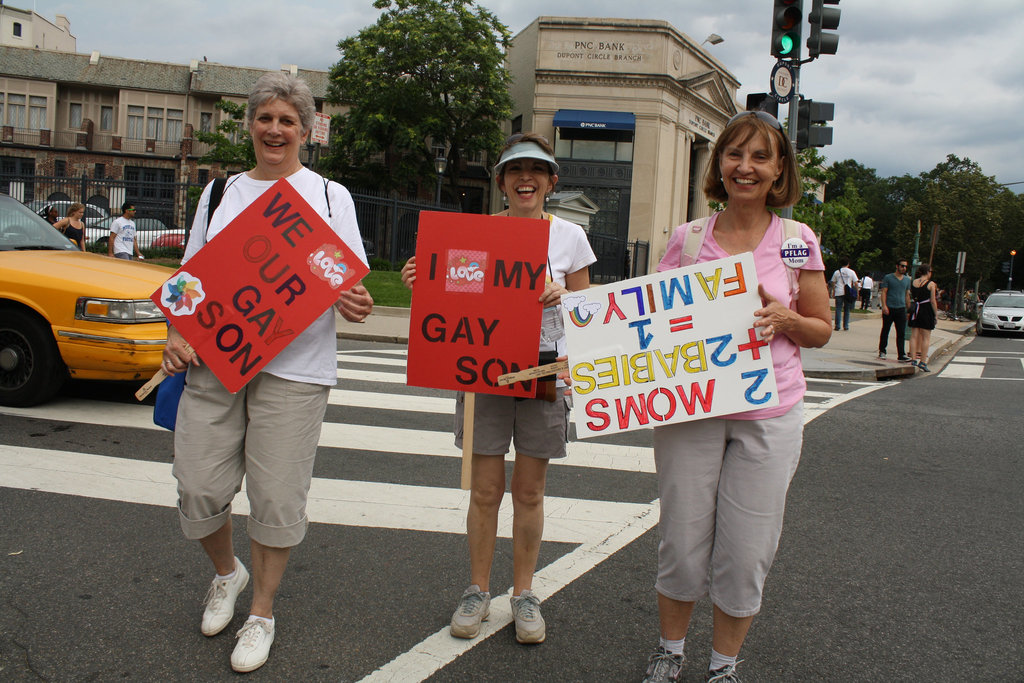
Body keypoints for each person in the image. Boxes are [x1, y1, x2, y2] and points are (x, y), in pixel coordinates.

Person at [161, 72, 374, 673]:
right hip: (217, 358)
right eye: (265, 118)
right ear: (250, 125)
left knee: (277, 496)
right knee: (198, 483)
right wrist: (175, 333)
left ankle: (261, 611)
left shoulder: (331, 197)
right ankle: (226, 575)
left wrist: (353, 302)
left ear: (306, 131)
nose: (275, 129)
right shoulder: (218, 192)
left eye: (288, 120)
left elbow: (348, 286)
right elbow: (189, 276)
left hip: (296, 369)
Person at [640, 110, 831, 683]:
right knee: (682, 539)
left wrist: (789, 318)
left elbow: (820, 327)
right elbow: (647, 320)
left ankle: (723, 667)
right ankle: (670, 654)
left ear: (779, 171)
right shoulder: (689, 239)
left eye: (760, 157)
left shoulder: (797, 242)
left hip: (769, 414)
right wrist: (597, 362)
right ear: (718, 165)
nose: (745, 167)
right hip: (691, 409)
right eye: (734, 155)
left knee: (747, 549)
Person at [400, 132, 596, 645]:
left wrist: (566, 298)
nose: (524, 178)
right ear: (502, 182)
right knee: (485, 490)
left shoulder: (571, 238)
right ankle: (478, 589)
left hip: (544, 373)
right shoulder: (478, 233)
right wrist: (425, 277)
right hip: (483, 373)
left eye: (535, 170)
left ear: (551, 181)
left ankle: (525, 592)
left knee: (530, 491)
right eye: (514, 170)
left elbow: (590, 310)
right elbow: (456, 294)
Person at [877, 258, 912, 361]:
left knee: (901, 332)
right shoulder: (888, 277)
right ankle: (882, 351)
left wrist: (908, 309)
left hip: (901, 308)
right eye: (902, 266)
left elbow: (907, 294)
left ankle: (901, 354)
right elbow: (884, 292)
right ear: (897, 266)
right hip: (890, 307)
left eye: (905, 266)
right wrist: (884, 306)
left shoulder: (907, 280)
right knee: (885, 330)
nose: (904, 268)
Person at [908, 265, 938, 372]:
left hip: (916, 309)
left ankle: (913, 359)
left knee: (914, 336)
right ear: (928, 272)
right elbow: (933, 301)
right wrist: (936, 314)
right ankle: (923, 361)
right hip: (926, 310)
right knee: (926, 337)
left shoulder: (914, 282)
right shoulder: (931, 284)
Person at [829, 257, 858, 330]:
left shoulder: (837, 272)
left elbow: (833, 282)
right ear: (848, 263)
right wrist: (857, 292)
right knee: (847, 309)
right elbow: (856, 282)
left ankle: (837, 326)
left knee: (838, 308)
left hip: (839, 291)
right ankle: (846, 326)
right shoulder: (851, 272)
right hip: (848, 293)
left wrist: (833, 290)